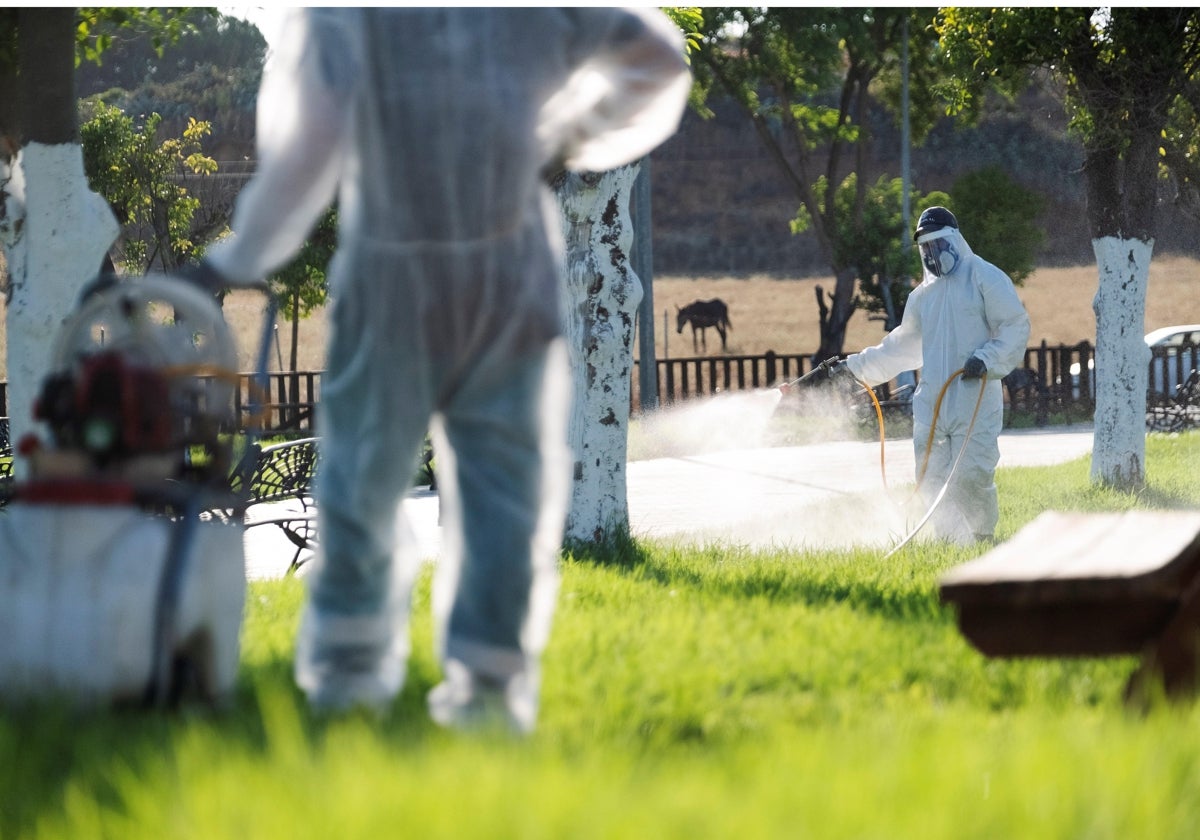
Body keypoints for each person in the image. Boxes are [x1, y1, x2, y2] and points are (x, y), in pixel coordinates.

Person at [193, 8, 691, 731]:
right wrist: (562, 139)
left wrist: (229, 262)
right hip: (508, 270)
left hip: (394, 277)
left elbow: (309, 151)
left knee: (361, 482)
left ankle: (348, 682)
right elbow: (655, 60)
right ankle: (489, 691)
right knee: (503, 494)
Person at [808, 206, 1031, 544]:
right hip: (932, 404)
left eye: (937, 244)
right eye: (925, 248)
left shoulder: (984, 278)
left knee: (973, 474)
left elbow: (1015, 326)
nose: (931, 254)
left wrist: (987, 358)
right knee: (931, 481)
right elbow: (899, 348)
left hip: (974, 400)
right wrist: (852, 369)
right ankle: (952, 544)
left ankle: (982, 535)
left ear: (955, 241)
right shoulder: (922, 297)